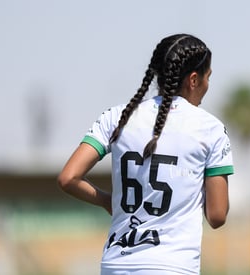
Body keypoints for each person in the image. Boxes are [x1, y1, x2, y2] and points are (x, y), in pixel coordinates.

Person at [57, 33, 234, 275]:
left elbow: (68, 178)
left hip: (115, 264)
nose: (207, 86)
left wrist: (107, 201)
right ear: (194, 80)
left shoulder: (117, 117)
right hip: (172, 266)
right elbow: (217, 215)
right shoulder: (211, 129)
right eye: (208, 77)